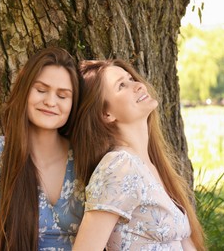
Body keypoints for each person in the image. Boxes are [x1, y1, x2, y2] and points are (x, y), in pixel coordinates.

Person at [71, 59, 206, 251]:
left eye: (131, 78)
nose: (138, 85)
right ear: (106, 113)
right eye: (122, 85)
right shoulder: (118, 167)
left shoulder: (150, 165)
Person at [0, 47, 84, 250]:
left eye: (63, 96)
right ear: (24, 91)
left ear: (73, 104)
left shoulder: (86, 154)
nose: (50, 102)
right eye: (41, 90)